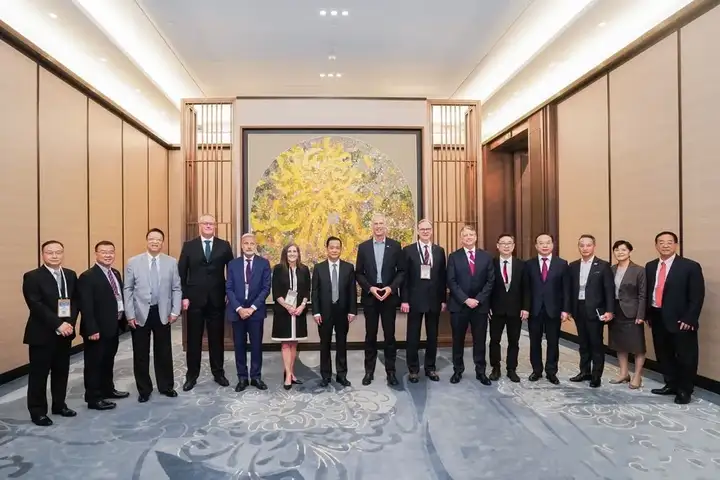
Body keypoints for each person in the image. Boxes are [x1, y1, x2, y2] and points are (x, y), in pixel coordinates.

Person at [22, 240, 79, 426]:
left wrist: (69, 324)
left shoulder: (70, 275)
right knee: (39, 375)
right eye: (50, 252)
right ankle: (38, 411)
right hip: (42, 334)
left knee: (61, 371)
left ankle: (59, 405)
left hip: (65, 333)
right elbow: (35, 305)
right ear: (42, 255)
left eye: (58, 252)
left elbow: (74, 301)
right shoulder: (32, 276)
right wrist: (58, 324)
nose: (54, 255)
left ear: (63, 253)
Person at [646, 231, 705, 404]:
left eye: (669, 242)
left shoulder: (690, 266)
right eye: (661, 242)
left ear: (676, 245)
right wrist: (648, 314)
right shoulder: (650, 266)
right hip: (657, 316)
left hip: (681, 320)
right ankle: (671, 384)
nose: (665, 245)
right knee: (664, 354)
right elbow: (649, 291)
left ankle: (685, 390)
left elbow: (697, 295)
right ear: (656, 245)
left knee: (686, 357)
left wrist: (690, 318)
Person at [124, 228, 182, 403]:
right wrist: (129, 314)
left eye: (158, 239)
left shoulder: (171, 262)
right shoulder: (133, 262)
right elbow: (128, 289)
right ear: (146, 241)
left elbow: (176, 288)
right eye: (151, 239)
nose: (155, 242)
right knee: (141, 353)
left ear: (162, 242)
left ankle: (166, 386)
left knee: (163, 351)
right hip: (140, 312)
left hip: (162, 312)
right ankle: (144, 389)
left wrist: (175, 310)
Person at [178, 214, 234, 391]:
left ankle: (218, 373)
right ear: (200, 225)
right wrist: (184, 296)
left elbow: (232, 271)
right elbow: (181, 273)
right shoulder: (189, 246)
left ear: (215, 226)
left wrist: (229, 293)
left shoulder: (224, 245)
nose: (209, 226)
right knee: (193, 340)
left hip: (217, 299)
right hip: (194, 300)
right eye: (206, 223)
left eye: (211, 223)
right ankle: (191, 376)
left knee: (216, 340)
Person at [78, 240, 129, 411]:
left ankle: (107, 389)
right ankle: (93, 398)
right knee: (94, 364)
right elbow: (86, 306)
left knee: (108, 360)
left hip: (113, 326)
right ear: (96, 254)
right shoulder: (88, 276)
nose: (108, 255)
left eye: (111, 252)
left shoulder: (115, 273)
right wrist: (91, 329)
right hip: (97, 329)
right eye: (104, 252)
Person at [355, 213, 405, 386]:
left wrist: (391, 288)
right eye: (375, 224)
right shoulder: (363, 247)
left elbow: (401, 272)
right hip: (371, 296)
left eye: (381, 223)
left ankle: (391, 372)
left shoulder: (395, 246)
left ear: (386, 226)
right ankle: (369, 371)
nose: (378, 226)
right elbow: (359, 273)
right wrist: (370, 288)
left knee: (390, 336)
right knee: (370, 335)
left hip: (389, 296)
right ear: (372, 227)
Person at [446, 225, 494, 385]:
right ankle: (457, 370)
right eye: (465, 235)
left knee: (480, 340)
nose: (468, 237)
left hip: (480, 307)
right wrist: (466, 299)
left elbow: (490, 281)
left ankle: (481, 371)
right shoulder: (454, 257)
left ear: (476, 237)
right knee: (457, 340)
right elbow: (451, 281)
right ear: (461, 238)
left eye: (471, 234)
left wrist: (478, 299)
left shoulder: (486, 257)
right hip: (459, 305)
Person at [401, 219, 446, 383]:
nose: (425, 231)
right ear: (418, 231)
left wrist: (443, 299)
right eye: (422, 229)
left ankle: (430, 368)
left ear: (432, 231)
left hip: (434, 300)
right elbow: (404, 278)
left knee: (432, 336)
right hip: (414, 300)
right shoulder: (408, 250)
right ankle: (413, 370)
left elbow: (442, 277)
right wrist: (404, 300)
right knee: (413, 336)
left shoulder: (439, 251)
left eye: (428, 229)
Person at [567, 234, 614, 387]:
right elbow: (570, 289)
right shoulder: (573, 266)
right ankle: (584, 371)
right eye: (582, 245)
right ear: (578, 247)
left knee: (596, 343)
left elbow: (609, 289)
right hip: (578, 308)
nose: (585, 248)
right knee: (583, 343)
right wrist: (568, 309)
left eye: (588, 245)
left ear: (594, 246)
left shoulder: (603, 266)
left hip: (595, 310)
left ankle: (596, 375)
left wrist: (610, 310)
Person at [226, 233, 271, 392]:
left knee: (256, 345)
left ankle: (256, 377)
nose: (249, 246)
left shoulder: (264, 263)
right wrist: (239, 308)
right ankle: (242, 378)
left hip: (255, 312)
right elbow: (229, 288)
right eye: (246, 243)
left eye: (252, 243)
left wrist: (252, 308)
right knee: (239, 346)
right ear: (241, 245)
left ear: (255, 245)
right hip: (237, 311)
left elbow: (266, 288)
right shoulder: (233, 264)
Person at [523, 233, 569, 385]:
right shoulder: (528, 264)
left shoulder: (562, 264)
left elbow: (566, 289)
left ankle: (551, 371)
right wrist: (525, 308)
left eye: (547, 242)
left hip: (554, 309)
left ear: (552, 245)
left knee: (553, 342)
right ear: (536, 246)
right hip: (534, 309)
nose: (544, 245)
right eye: (541, 243)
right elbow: (526, 289)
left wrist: (565, 309)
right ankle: (536, 370)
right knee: (534, 342)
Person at [312, 236, 357, 387]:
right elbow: (315, 292)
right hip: (324, 312)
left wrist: (352, 310)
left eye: (337, 247)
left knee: (341, 343)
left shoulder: (348, 267)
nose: (334, 250)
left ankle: (341, 375)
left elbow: (352, 291)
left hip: (342, 311)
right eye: (331, 247)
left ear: (341, 249)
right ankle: (325, 375)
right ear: (327, 249)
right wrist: (316, 312)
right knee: (324, 344)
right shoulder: (319, 268)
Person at [488, 233, 528, 383]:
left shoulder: (521, 265)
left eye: (509, 243)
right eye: (503, 243)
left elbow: (526, 288)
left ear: (513, 246)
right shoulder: (491, 263)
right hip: (495, 309)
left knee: (514, 341)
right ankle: (495, 367)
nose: (506, 246)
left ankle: (511, 369)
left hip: (515, 309)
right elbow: (486, 286)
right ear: (497, 246)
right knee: (494, 340)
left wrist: (525, 307)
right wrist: (487, 306)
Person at [271, 243, 310, 389]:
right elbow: (276, 292)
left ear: (298, 254)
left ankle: (291, 372)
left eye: (295, 251)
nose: (292, 254)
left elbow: (307, 291)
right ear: (285, 254)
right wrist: (288, 307)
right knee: (285, 343)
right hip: (283, 312)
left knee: (294, 343)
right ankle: (288, 375)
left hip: (299, 311)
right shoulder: (278, 269)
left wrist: (302, 306)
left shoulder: (304, 269)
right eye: (289, 251)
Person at [608, 240, 647, 389]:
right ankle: (623, 373)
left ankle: (637, 375)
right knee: (620, 344)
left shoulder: (639, 270)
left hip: (633, 312)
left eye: (623, 250)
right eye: (617, 250)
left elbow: (643, 294)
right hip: (616, 311)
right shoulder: (611, 269)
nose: (620, 252)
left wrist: (641, 314)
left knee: (637, 345)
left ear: (630, 252)